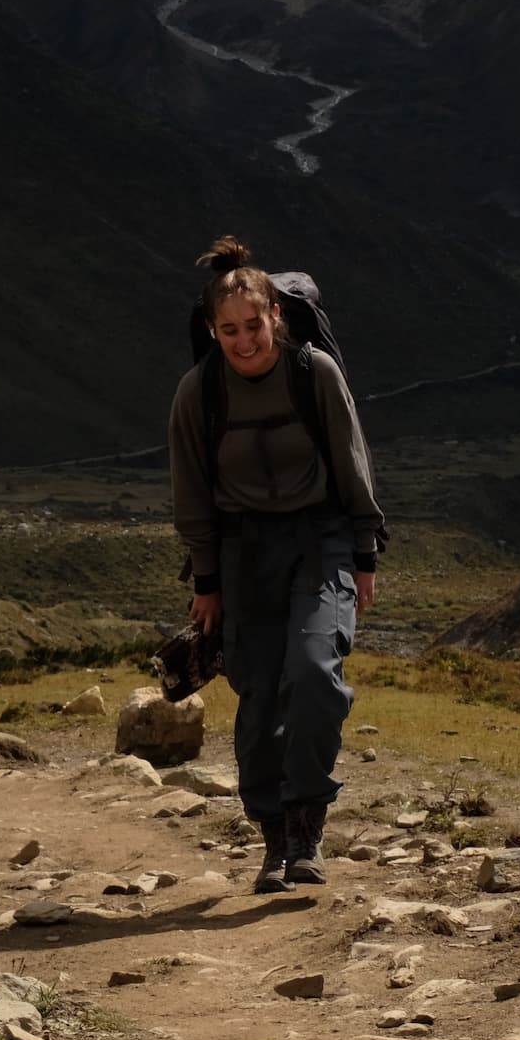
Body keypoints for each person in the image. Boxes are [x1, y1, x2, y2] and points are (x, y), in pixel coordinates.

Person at [167, 235, 385, 893]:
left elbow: (352, 460)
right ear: (213, 330)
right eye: (228, 330)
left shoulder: (314, 372)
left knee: (316, 675)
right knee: (259, 698)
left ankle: (307, 827)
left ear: (276, 319)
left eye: (253, 325)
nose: (243, 340)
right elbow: (192, 493)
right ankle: (272, 840)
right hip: (241, 555)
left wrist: (365, 551)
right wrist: (207, 583)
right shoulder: (198, 393)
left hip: (321, 541)